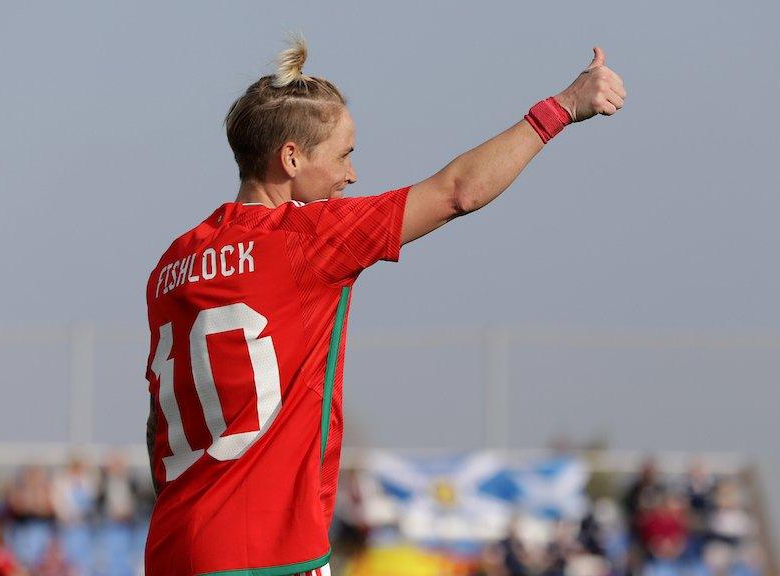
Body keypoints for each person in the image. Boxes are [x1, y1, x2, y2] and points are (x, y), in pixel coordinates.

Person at [143, 35, 625, 576]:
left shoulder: (172, 265)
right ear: (292, 158)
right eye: (344, 155)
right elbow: (457, 192)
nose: (352, 174)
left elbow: (157, 425)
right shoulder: (306, 239)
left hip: (172, 549)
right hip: (269, 556)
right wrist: (560, 108)